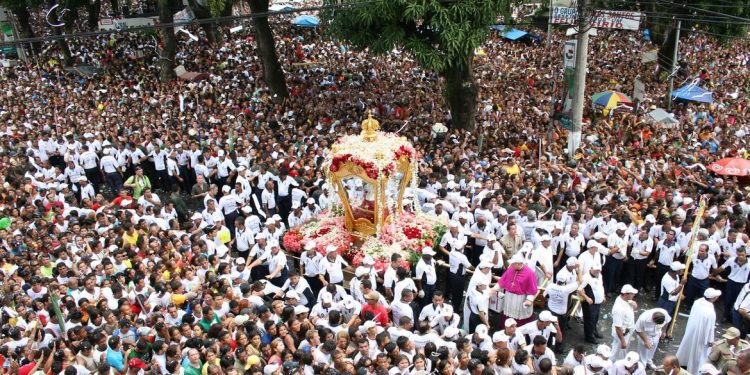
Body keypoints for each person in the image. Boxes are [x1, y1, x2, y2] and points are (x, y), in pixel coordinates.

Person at [676, 288, 723, 375]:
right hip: (701, 336)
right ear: (712, 298)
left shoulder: (698, 302)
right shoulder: (710, 312)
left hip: (691, 330)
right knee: (699, 353)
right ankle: (696, 369)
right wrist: (710, 340)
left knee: (688, 346)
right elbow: (709, 328)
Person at [497, 254, 538, 326]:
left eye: (513, 263)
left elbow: (532, 289)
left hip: (520, 299)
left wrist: (529, 300)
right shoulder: (511, 269)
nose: (511, 265)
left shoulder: (529, 273)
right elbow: (503, 280)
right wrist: (495, 289)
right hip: (509, 298)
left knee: (519, 319)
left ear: (519, 264)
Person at [579, 263, 605, 344]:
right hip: (590, 303)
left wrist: (603, 295)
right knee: (589, 319)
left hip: (598, 301)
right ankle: (589, 337)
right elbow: (579, 289)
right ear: (591, 269)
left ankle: (594, 332)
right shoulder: (586, 277)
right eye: (596, 270)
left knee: (595, 318)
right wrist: (587, 298)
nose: (597, 271)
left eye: (598, 270)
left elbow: (601, 286)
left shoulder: (599, 275)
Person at [611, 284, 638, 361]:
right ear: (626, 294)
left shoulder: (625, 299)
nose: (634, 295)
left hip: (627, 331)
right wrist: (623, 341)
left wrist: (634, 305)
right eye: (632, 293)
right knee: (617, 353)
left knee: (621, 352)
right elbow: (618, 327)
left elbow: (632, 307)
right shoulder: (619, 308)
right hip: (622, 334)